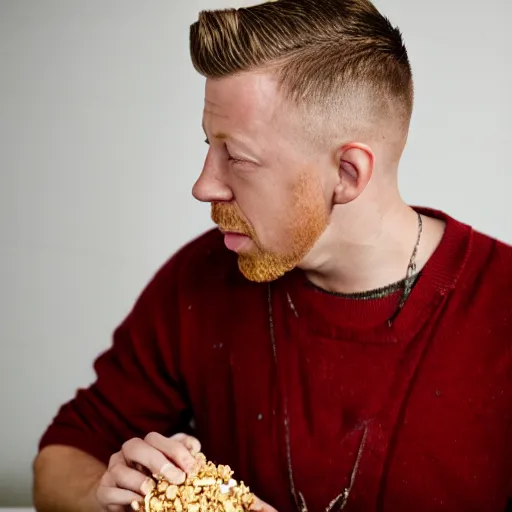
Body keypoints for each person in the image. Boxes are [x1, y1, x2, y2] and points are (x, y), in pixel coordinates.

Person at [32, 0, 512, 511]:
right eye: (208, 147)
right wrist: (104, 496)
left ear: (347, 174)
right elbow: (59, 459)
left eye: (236, 157)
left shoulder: (500, 308)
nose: (203, 186)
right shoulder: (199, 278)